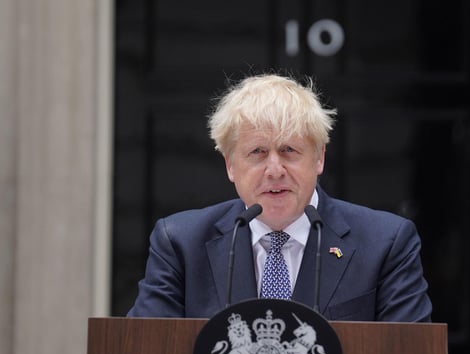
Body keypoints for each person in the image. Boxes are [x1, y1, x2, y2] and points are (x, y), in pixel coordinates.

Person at [127, 73, 432, 322]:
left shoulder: (386, 243)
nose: (274, 170)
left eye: (289, 151)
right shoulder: (180, 243)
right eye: (257, 153)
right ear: (231, 165)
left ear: (319, 159)